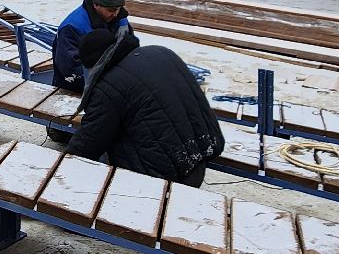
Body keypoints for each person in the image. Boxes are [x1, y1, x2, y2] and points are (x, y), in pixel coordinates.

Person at [66, 26, 224, 186]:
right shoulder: (160, 52)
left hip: (160, 179)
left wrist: (62, 167)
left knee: (108, 144)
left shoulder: (108, 86)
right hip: (198, 157)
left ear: (95, 64)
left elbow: (89, 141)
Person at [51, 0, 129, 92]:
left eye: (118, 9)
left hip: (110, 86)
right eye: (111, 10)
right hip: (74, 90)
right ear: (96, 5)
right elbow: (71, 70)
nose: (115, 14)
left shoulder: (119, 21)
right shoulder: (72, 27)